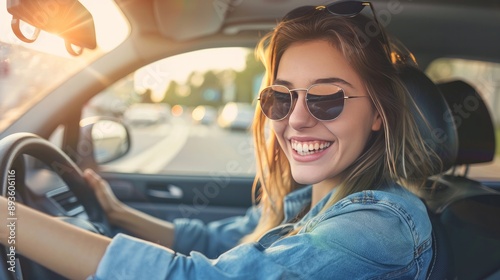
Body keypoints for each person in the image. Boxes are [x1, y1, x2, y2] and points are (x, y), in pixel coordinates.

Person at [0, 1, 442, 279]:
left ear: (379, 115)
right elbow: (219, 241)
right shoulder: (310, 201)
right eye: (280, 98)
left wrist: (9, 220)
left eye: (327, 99)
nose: (297, 120)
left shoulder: (380, 225)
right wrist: (117, 213)